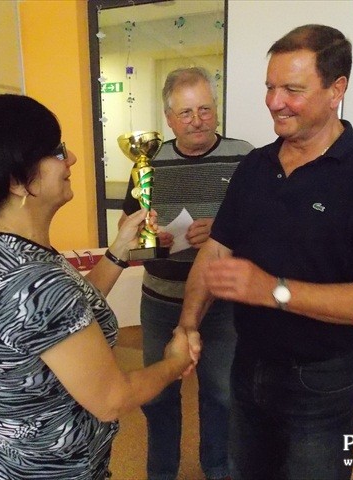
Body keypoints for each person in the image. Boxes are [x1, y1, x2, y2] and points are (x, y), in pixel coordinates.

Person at [178, 25, 353, 480]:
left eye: (292, 89)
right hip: (248, 363)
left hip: (323, 378)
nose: (274, 101)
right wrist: (187, 324)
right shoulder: (255, 166)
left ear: (336, 90)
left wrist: (272, 290)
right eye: (270, 87)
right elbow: (216, 251)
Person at [0, 92, 197, 480]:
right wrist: (175, 362)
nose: (70, 158)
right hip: (54, 470)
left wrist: (119, 249)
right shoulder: (34, 281)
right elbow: (111, 399)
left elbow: (64, 316)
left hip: (6, 460)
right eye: (57, 151)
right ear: (17, 181)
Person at [119, 67, 253, 480]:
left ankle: (218, 468)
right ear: (169, 118)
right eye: (186, 113)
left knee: (222, 393)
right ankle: (162, 473)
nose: (197, 120)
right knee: (158, 393)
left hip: (222, 300)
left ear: (216, 110)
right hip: (160, 300)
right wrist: (149, 235)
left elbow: (267, 226)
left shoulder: (246, 156)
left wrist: (224, 231)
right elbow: (128, 226)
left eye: (205, 109)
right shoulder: (148, 161)